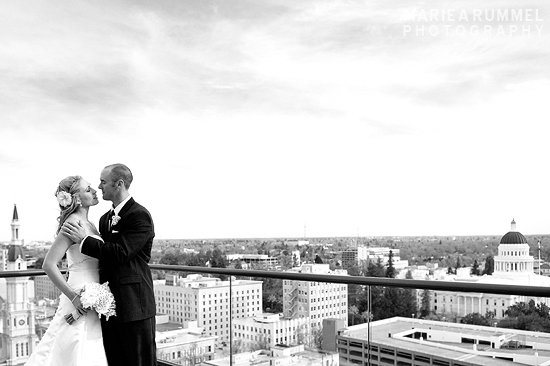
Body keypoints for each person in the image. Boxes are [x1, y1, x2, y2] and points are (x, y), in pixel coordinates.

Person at [62, 163, 157, 366]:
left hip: (134, 306)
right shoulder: (104, 219)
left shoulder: (139, 215)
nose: (99, 186)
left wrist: (84, 241)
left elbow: (121, 253)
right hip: (108, 307)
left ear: (119, 184)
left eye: (103, 182)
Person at [26, 176, 108, 366]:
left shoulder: (90, 224)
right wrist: (74, 297)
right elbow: (48, 264)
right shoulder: (73, 224)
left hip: (95, 294)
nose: (95, 190)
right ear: (77, 198)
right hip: (79, 293)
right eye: (88, 189)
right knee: (72, 343)